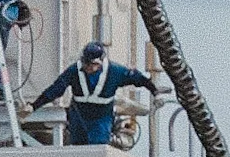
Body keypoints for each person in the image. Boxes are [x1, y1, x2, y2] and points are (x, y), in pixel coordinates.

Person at [30, 33, 158, 147]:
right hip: (78, 117)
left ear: (100, 63)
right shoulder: (74, 71)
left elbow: (138, 79)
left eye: (93, 65)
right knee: (78, 149)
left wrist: (154, 91)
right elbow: (56, 89)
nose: (89, 68)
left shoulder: (115, 72)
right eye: (87, 64)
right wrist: (34, 106)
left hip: (101, 119)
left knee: (98, 148)